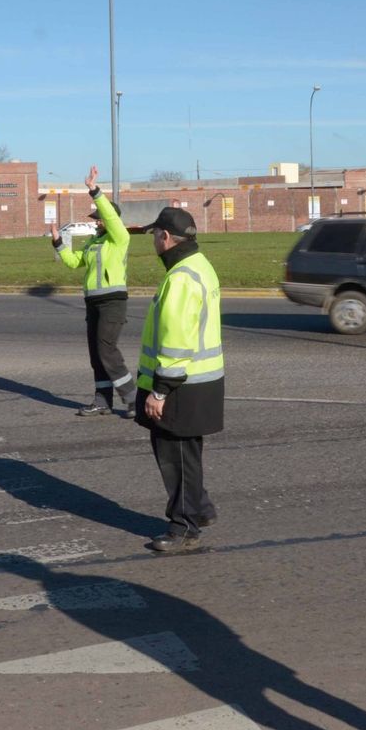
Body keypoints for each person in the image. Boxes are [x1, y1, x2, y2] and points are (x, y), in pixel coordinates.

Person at [134, 206, 223, 552]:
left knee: (176, 459)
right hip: (200, 382)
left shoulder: (181, 277)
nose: (154, 240)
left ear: (166, 237)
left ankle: (183, 528)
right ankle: (199, 509)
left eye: (156, 234)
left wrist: (160, 391)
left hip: (181, 385)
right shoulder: (200, 265)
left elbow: (176, 339)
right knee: (187, 456)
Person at [51, 166, 135, 417]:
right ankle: (102, 401)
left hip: (113, 301)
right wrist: (58, 244)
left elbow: (110, 217)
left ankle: (133, 399)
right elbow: (74, 262)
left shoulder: (119, 238)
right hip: (93, 302)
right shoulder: (93, 242)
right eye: (95, 218)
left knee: (106, 349)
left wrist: (95, 191)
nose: (96, 221)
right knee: (96, 354)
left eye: (99, 218)